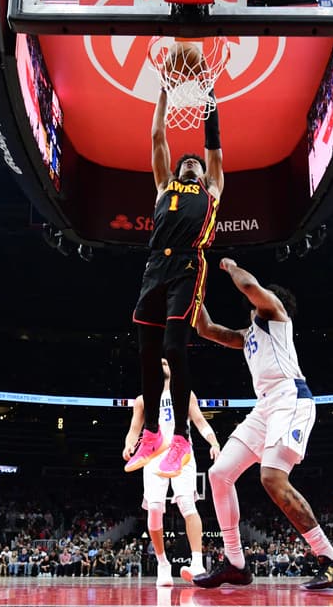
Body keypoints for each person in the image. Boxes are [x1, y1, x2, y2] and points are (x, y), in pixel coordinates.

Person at [192, 258, 333, 591]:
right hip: (265, 406)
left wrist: (230, 266)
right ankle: (235, 563)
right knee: (219, 474)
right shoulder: (248, 335)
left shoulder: (276, 316)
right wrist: (193, 291)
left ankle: (332, 561)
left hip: (289, 398)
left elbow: (249, 286)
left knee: (272, 477)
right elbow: (206, 329)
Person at [126, 85, 224, 479]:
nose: (191, 164)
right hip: (155, 267)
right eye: (187, 162)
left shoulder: (212, 189)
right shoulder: (164, 186)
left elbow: (213, 147)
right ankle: (152, 433)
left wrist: (209, 99)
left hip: (188, 265)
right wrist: (164, 91)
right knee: (147, 352)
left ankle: (181, 437)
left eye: (196, 163)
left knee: (172, 346)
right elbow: (157, 136)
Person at [123, 358, 220, 586]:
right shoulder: (142, 400)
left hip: (182, 453)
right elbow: (134, 430)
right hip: (154, 455)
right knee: (155, 508)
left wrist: (214, 442)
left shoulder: (185, 393)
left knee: (187, 504)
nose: (161, 364)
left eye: (165, 362)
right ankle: (163, 563)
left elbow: (200, 421)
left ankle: (197, 563)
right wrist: (128, 445)